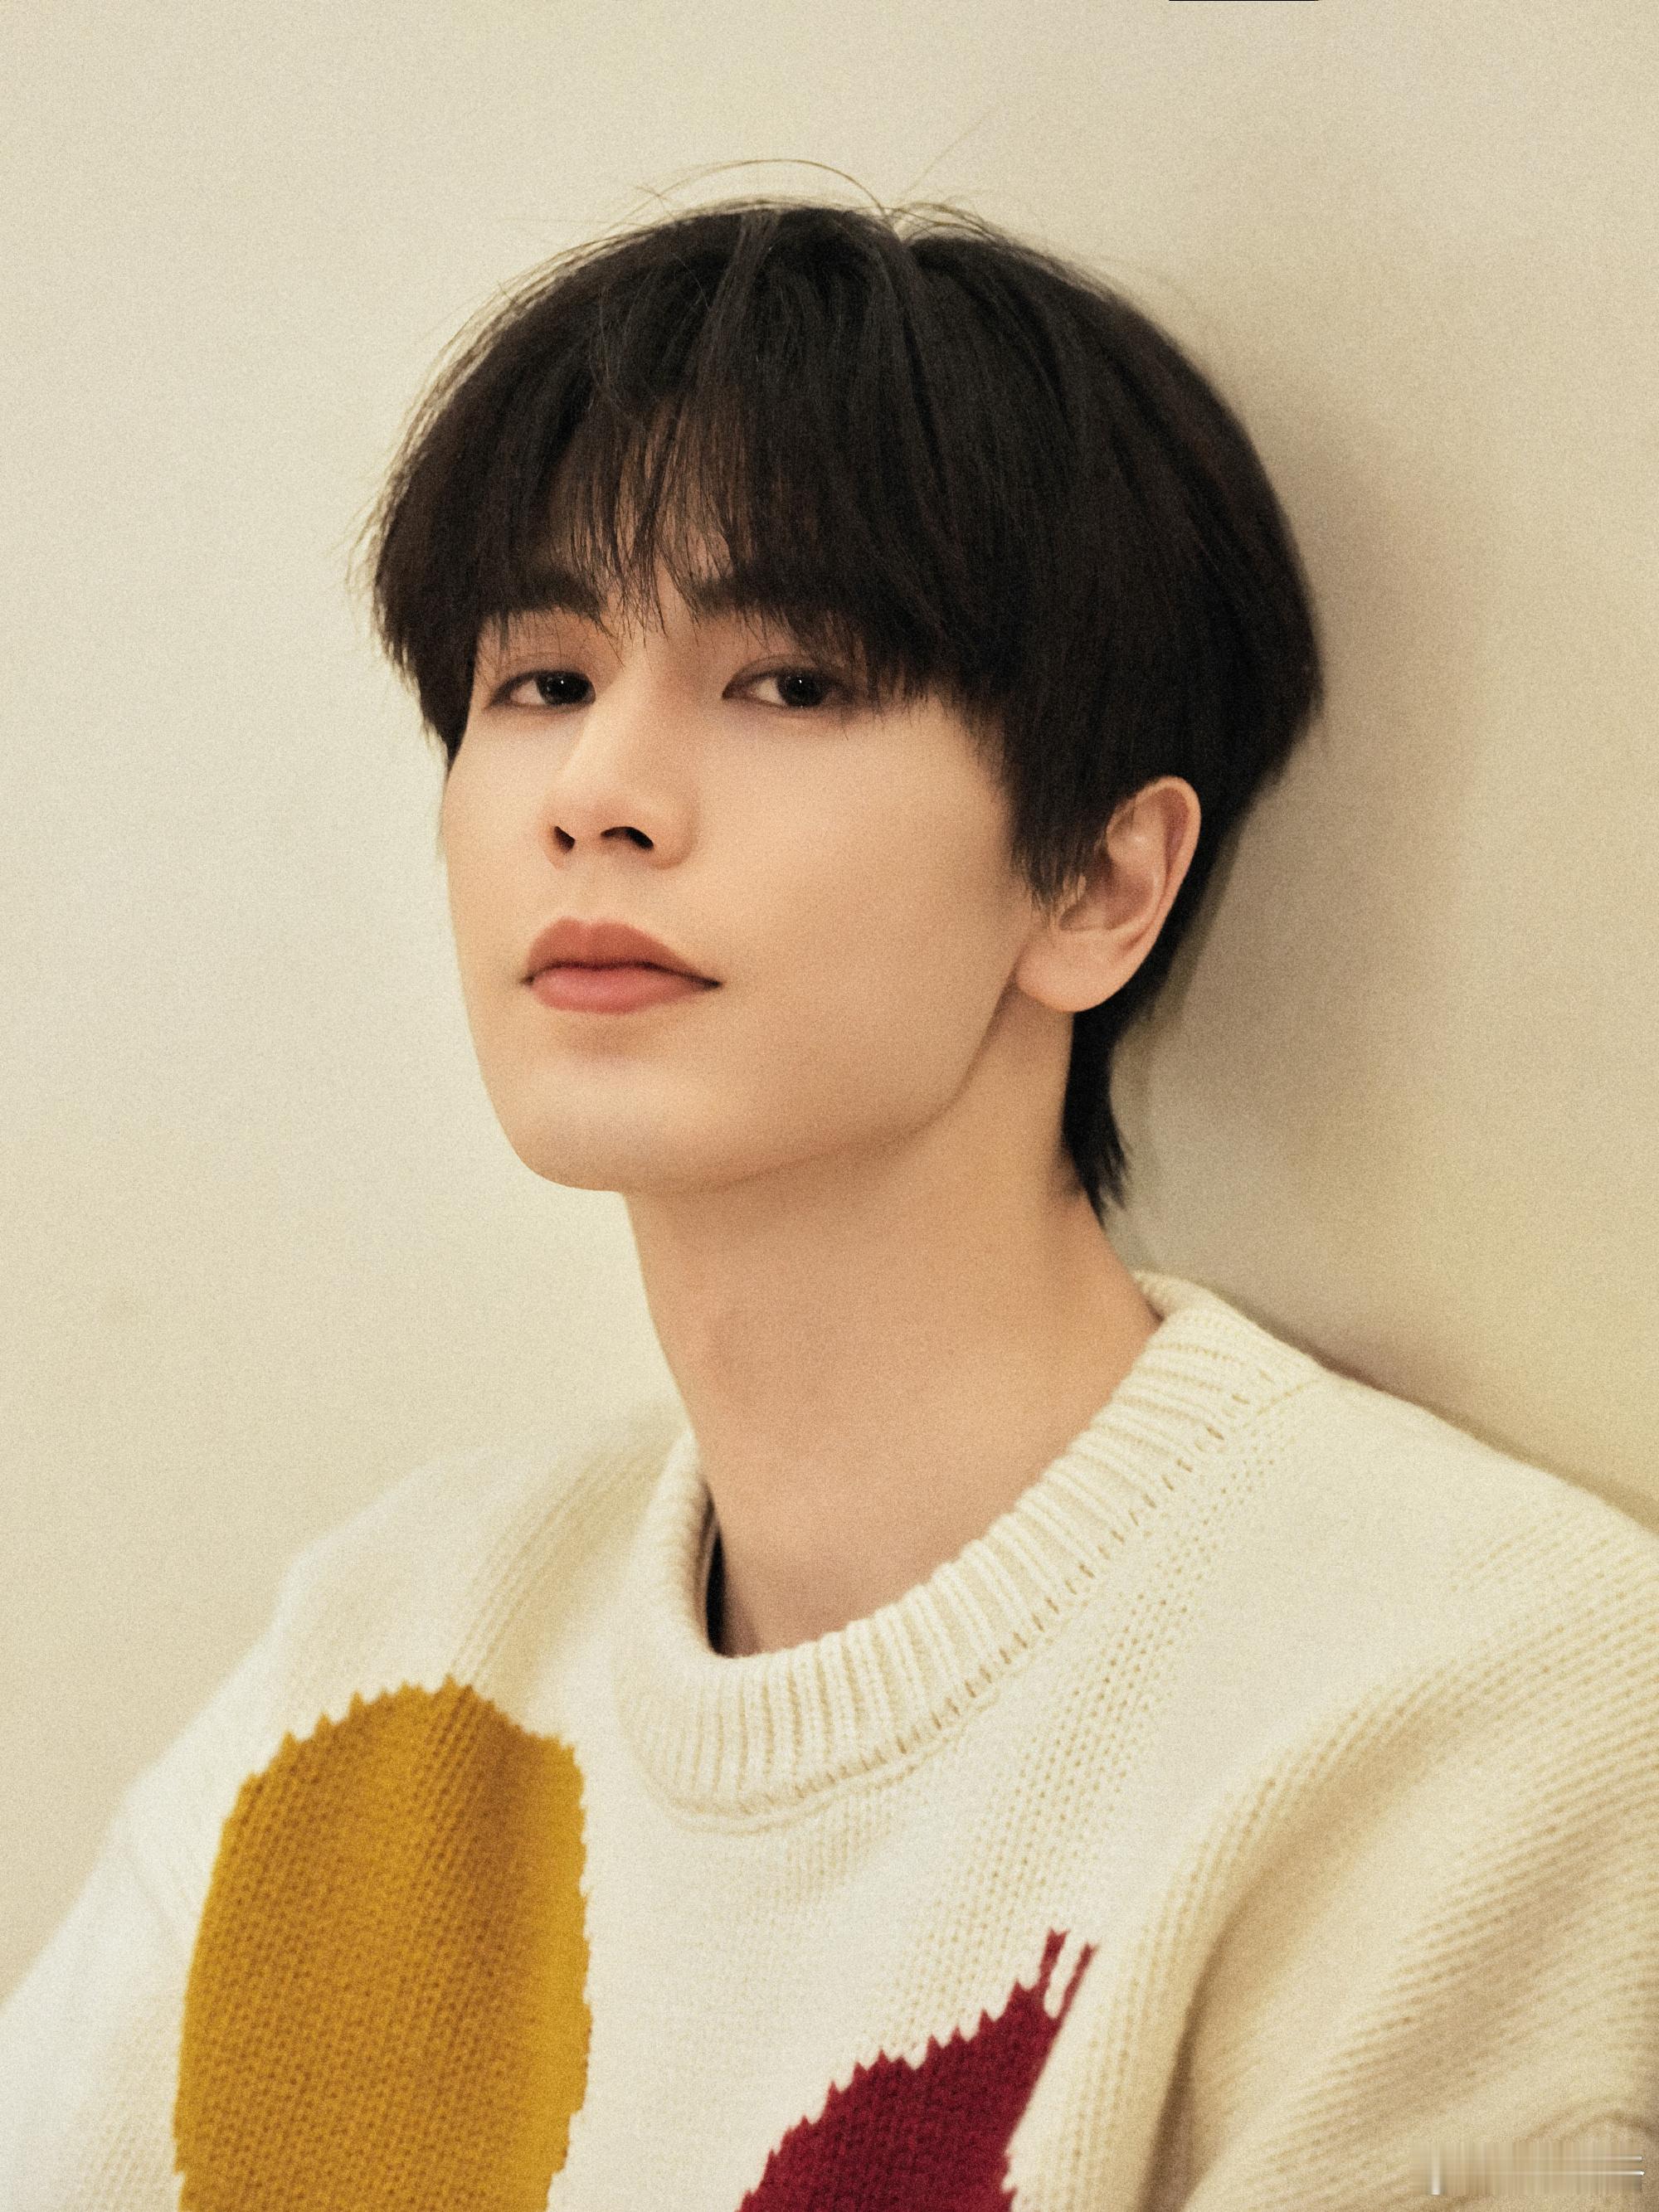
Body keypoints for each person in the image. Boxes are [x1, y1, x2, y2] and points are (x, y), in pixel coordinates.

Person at [2, 194, 1653, 2210]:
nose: (597, 792)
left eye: (786, 682)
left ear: (1096, 882)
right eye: (540, 676)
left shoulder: (1463, 1714)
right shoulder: (388, 1646)